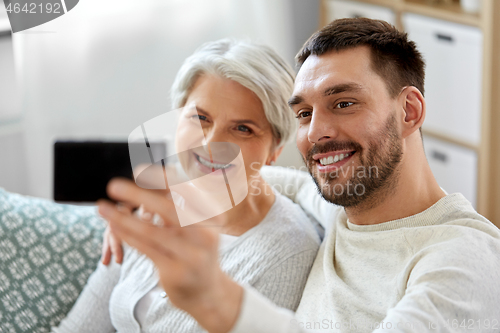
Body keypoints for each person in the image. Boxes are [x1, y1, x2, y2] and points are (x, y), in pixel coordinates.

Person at [99, 18, 500, 333]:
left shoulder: (461, 260)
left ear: (409, 112)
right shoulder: (341, 208)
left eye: (343, 103)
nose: (315, 133)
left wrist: (219, 301)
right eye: (304, 113)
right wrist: (163, 199)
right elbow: (273, 178)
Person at [52, 39, 321, 332]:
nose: (210, 145)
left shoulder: (288, 254)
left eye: (243, 128)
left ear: (274, 151)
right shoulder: (150, 204)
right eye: (200, 118)